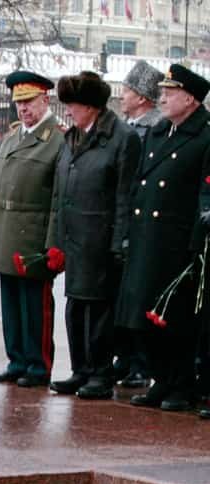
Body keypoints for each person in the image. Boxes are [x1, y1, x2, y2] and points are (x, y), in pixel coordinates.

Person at [119, 65, 210, 413]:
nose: (163, 97)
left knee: (176, 322)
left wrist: (194, 247)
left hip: (177, 245)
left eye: (170, 92)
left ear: (189, 98)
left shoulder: (204, 136)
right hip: (147, 240)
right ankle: (162, 379)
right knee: (145, 319)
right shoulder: (161, 133)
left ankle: (180, 384)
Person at [46, 71, 140, 401]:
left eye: (72, 105)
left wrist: (119, 242)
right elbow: (61, 192)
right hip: (76, 237)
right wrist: (57, 240)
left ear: (91, 107)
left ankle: (100, 373)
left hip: (101, 238)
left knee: (99, 310)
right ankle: (81, 369)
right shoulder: (72, 137)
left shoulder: (122, 138)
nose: (68, 111)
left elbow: (124, 195)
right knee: (76, 307)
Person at [0, 71, 63, 389]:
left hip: (33, 236)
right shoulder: (11, 138)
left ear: (46, 100)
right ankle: (16, 360)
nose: (23, 109)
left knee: (36, 307)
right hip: (7, 233)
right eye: (18, 103)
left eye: (29, 102)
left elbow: (58, 199)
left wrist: (52, 243)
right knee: (12, 304)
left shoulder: (57, 141)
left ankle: (38, 365)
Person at [113, 59, 165, 388]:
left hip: (142, 220)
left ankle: (140, 362)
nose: (121, 96)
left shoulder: (153, 129)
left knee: (139, 295)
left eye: (127, 91)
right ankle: (126, 357)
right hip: (124, 217)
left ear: (143, 97)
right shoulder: (128, 125)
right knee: (122, 295)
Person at [120, 60, 164, 139]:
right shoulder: (119, 125)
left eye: (126, 91)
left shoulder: (159, 129)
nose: (120, 97)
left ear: (141, 99)